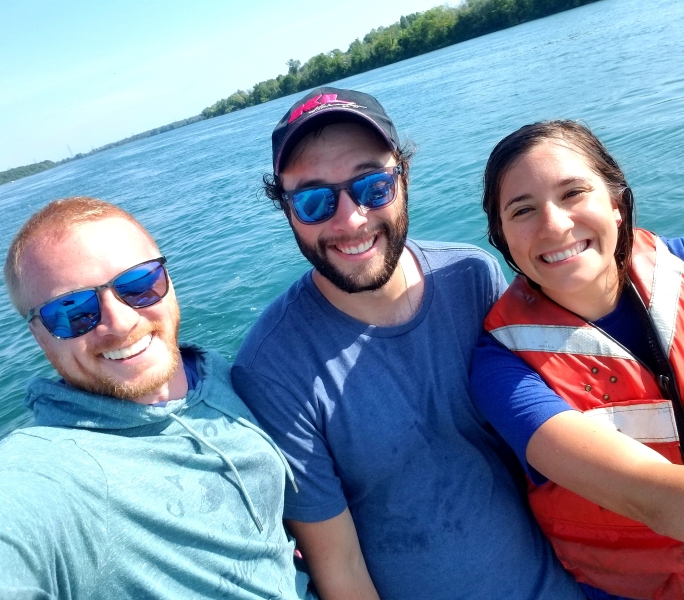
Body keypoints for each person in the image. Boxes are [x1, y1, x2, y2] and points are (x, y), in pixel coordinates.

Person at [231, 87, 591, 600]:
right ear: (285, 209)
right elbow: (341, 568)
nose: (351, 219)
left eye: (372, 186)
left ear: (402, 177)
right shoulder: (273, 369)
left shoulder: (474, 276)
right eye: (314, 201)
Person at [472, 120, 684, 600]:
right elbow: (649, 494)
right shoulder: (501, 368)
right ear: (502, 239)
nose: (555, 225)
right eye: (522, 210)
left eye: (573, 193)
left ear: (617, 203)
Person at [0, 197, 315, 600]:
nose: (120, 322)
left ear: (167, 280)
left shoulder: (208, 371)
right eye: (72, 311)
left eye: (138, 284)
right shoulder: (56, 473)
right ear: (40, 335)